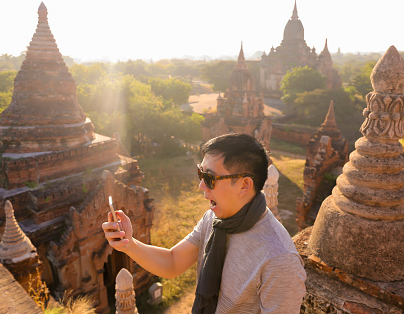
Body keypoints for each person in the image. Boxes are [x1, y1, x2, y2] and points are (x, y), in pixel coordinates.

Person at [102, 133, 306, 313]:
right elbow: (173, 262)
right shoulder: (216, 219)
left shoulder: (279, 260)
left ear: (244, 185)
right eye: (201, 173)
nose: (201, 186)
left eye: (209, 178)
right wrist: (128, 243)